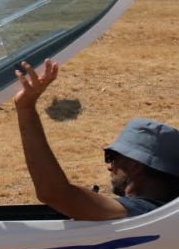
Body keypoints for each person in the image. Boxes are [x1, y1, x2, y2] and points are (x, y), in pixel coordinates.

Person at [13, 59, 179, 219]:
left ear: (136, 166)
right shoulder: (163, 211)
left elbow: (56, 193)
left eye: (112, 157)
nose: (109, 167)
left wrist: (26, 108)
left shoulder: (147, 210)